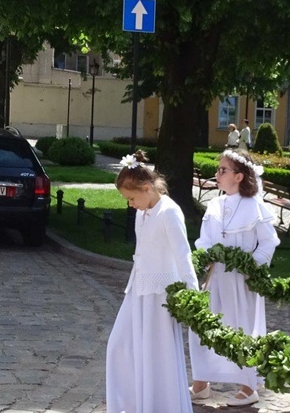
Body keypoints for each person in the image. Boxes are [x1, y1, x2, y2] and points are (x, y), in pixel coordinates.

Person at [106, 150, 198, 413]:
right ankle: (131, 403)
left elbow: (183, 255)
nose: (130, 203)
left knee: (158, 356)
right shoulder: (142, 211)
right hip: (138, 288)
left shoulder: (169, 212)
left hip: (161, 294)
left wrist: (192, 296)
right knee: (119, 345)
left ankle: (160, 406)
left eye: (132, 197)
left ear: (147, 188)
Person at [188, 149, 279, 407]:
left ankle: (248, 385)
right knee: (204, 327)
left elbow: (269, 241)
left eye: (222, 170)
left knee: (241, 328)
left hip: (242, 280)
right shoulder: (216, 205)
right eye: (218, 170)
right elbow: (205, 239)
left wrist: (253, 265)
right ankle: (202, 381)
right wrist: (204, 256)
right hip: (215, 277)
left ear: (239, 176)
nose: (217, 174)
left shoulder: (254, 206)